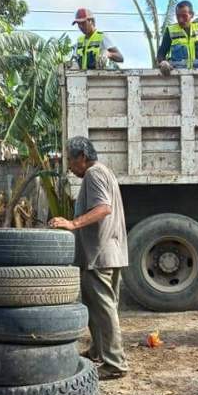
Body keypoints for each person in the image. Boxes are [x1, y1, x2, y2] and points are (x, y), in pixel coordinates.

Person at [49, 136, 129, 380]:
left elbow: (103, 208)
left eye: (71, 162)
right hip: (110, 253)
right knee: (100, 307)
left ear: (82, 157)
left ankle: (115, 363)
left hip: (99, 254)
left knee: (104, 309)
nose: (70, 168)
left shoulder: (94, 175)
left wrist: (73, 223)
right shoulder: (105, 173)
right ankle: (98, 351)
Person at [157, 0, 198, 76]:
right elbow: (161, 53)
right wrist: (163, 62)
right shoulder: (170, 31)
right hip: (177, 75)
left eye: (184, 16)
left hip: (197, 74)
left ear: (191, 15)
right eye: (178, 16)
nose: (180, 20)